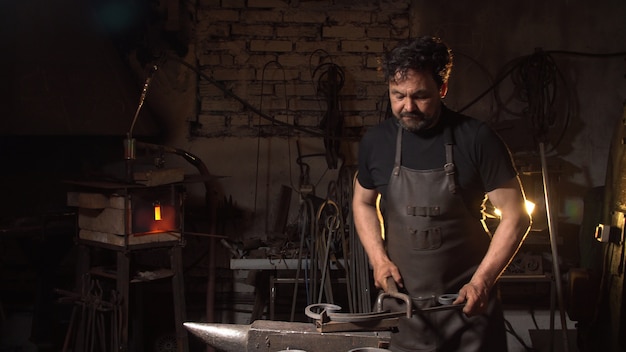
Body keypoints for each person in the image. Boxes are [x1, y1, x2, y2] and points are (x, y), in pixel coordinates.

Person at [352, 36, 532, 351]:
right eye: (398, 96)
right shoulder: (376, 143)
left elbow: (517, 216)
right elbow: (363, 202)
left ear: (442, 90)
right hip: (403, 311)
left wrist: (482, 282)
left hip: (468, 307)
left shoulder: (477, 139)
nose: (407, 107)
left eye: (420, 96)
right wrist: (378, 260)